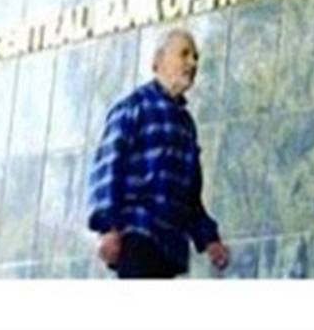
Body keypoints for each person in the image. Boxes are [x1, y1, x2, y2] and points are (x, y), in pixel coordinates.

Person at [87, 28, 231, 278]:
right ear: (158, 60)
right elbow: (109, 167)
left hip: (171, 249)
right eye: (184, 54)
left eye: (195, 57)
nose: (192, 63)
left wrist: (210, 239)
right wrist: (107, 227)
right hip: (138, 235)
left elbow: (190, 197)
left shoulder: (186, 125)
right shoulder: (134, 107)